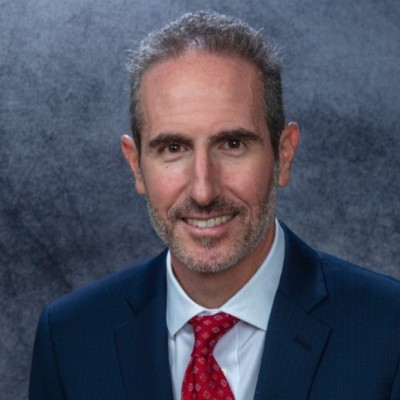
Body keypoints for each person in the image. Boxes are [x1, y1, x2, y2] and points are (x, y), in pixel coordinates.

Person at [29, 11, 400, 400]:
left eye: (233, 144)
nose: (204, 191)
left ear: (284, 154)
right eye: (173, 148)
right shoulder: (70, 339)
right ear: (136, 165)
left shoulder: (388, 330)